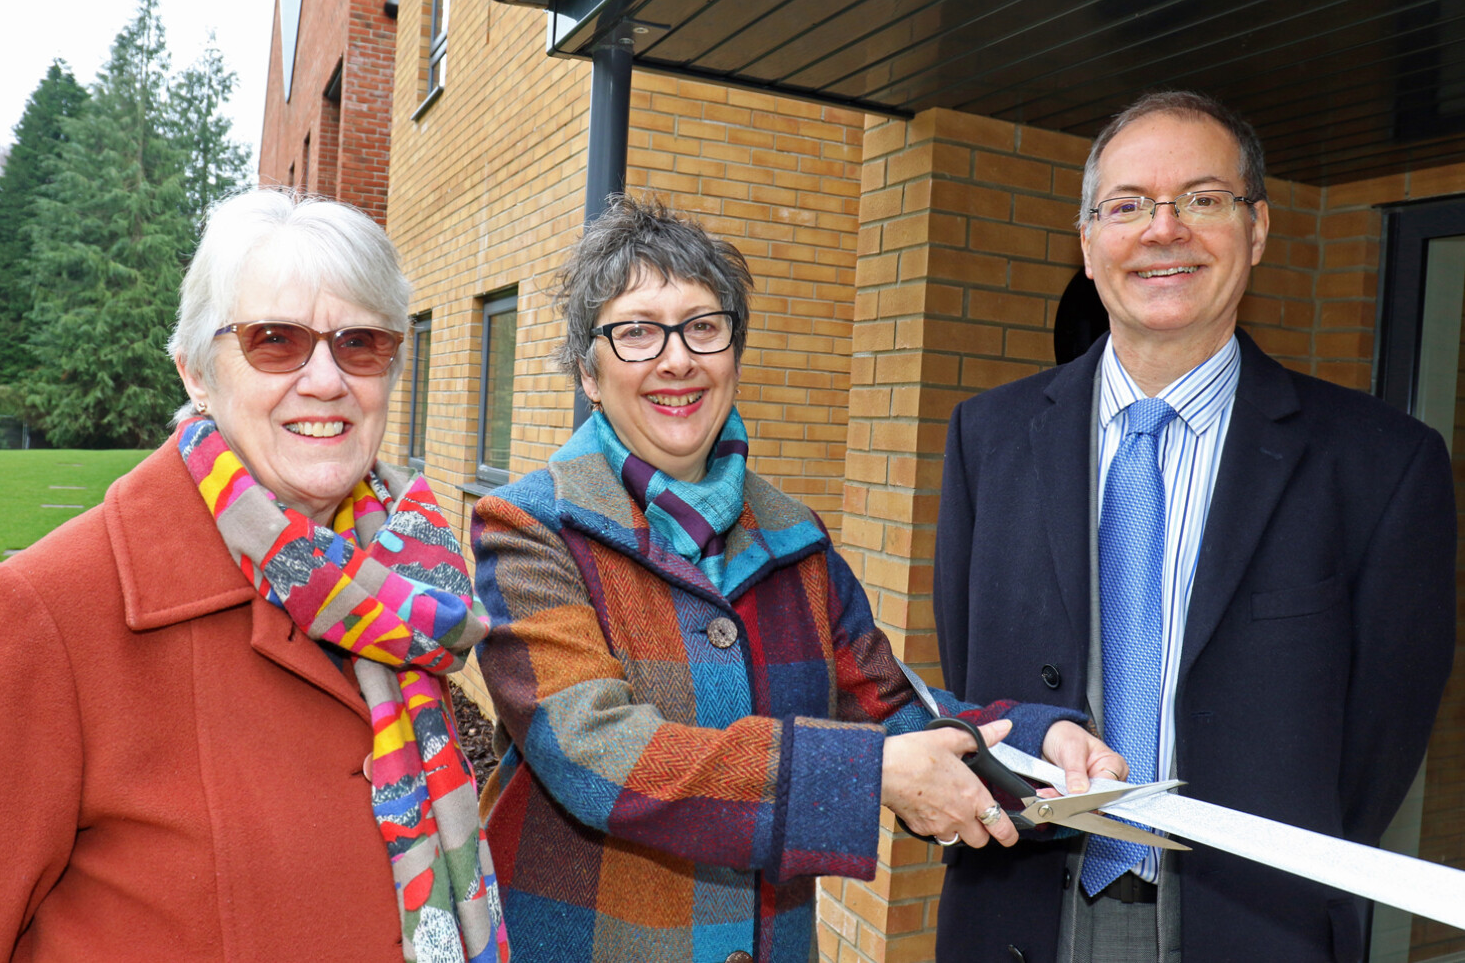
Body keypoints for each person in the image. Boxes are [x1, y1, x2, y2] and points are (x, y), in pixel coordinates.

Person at [469, 194, 1127, 963]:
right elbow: (596, 754)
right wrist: (867, 774)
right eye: (638, 333)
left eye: (703, 327)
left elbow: (893, 712)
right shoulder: (528, 529)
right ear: (588, 370)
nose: (676, 359)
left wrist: (1041, 746)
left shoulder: (795, 538)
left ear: (734, 353)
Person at [0, 188, 508, 963]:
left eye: (360, 344)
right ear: (196, 375)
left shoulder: (407, 593)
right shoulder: (45, 614)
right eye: (275, 340)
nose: (325, 379)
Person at [933, 91, 1456, 962]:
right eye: (1128, 205)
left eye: (1204, 200)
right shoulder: (985, 439)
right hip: (1019, 916)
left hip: (1254, 924)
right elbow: (981, 690)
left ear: (1256, 231)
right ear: (1090, 242)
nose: (1163, 229)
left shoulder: (1381, 466)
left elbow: (1377, 746)